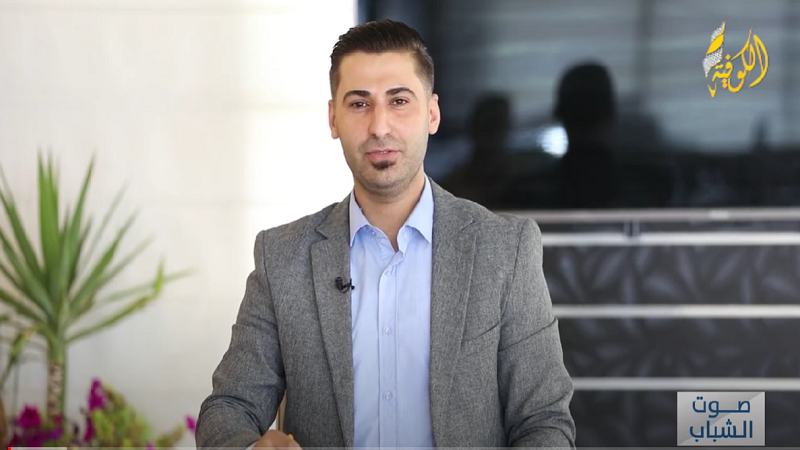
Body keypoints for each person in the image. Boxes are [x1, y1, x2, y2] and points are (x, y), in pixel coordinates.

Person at [196, 19, 576, 449]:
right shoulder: (282, 258)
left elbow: (544, 421)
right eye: (359, 104)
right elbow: (228, 408)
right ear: (333, 118)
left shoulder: (505, 251)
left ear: (431, 113)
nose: (379, 126)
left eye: (399, 101)